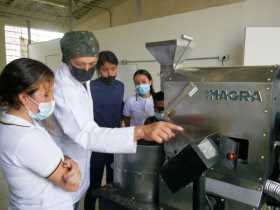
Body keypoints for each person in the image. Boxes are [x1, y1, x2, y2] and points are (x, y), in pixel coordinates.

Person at [51, 31, 183, 210]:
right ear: (66, 59)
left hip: (91, 150)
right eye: (81, 64)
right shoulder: (63, 89)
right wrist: (141, 131)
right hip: (69, 165)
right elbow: (86, 133)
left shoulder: (86, 82)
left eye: (91, 63)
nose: (87, 69)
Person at [0, 58, 81, 210]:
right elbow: (71, 184)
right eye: (46, 95)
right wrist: (75, 166)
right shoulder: (25, 138)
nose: (52, 100)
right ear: (24, 98)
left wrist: (66, 159)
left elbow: (44, 157)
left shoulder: (13, 122)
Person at [84, 51, 124, 210]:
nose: (110, 73)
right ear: (98, 70)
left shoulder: (120, 86)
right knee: (93, 183)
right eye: (105, 70)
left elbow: (119, 111)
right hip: (96, 142)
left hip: (114, 142)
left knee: (112, 183)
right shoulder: (89, 87)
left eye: (113, 69)